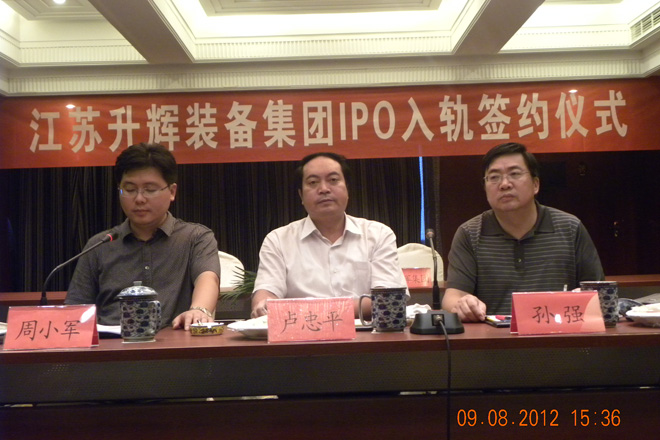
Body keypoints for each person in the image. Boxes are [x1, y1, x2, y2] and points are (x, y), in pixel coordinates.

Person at [65, 143, 220, 330]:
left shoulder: (195, 238)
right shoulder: (99, 245)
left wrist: (199, 310)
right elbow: (75, 310)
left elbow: (208, 278)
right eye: (130, 189)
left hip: (175, 342)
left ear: (172, 192)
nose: (139, 199)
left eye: (150, 189)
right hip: (112, 344)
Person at [443, 142, 605, 322]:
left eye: (514, 174)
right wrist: (463, 304)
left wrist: (585, 297)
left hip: (559, 334)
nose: (504, 184)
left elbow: (599, 291)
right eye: (494, 177)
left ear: (535, 184)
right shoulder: (469, 233)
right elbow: (453, 297)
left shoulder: (570, 228)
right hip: (494, 336)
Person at [251, 152, 407, 318]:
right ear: (301, 195)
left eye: (333, 180)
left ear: (347, 189)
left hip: (366, 332)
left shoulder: (378, 234)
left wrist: (309, 310)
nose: (324, 189)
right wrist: (263, 305)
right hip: (301, 333)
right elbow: (265, 296)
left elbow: (389, 301)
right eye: (313, 182)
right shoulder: (278, 240)